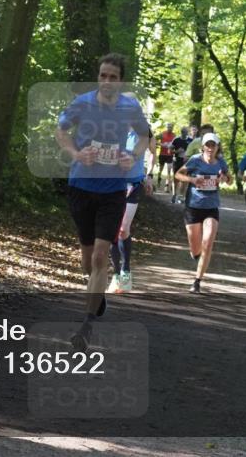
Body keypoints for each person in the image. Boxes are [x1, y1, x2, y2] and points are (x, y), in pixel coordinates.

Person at [56, 53, 150, 349]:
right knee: (87, 260)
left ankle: (86, 326)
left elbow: (145, 136)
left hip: (113, 191)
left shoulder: (129, 106)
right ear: (98, 77)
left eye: (113, 77)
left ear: (121, 81)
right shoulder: (83, 103)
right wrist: (76, 154)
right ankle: (97, 297)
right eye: (103, 75)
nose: (107, 81)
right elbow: (61, 131)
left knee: (99, 257)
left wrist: (132, 157)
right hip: (81, 187)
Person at [174, 132, 231, 293]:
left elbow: (229, 178)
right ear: (203, 147)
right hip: (193, 206)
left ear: (218, 147)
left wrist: (224, 179)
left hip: (211, 208)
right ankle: (197, 256)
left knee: (208, 242)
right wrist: (192, 180)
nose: (210, 148)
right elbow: (178, 174)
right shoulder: (195, 160)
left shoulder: (221, 163)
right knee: (195, 248)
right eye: (208, 145)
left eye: (213, 145)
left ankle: (197, 281)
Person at [108, 125, 154, 294]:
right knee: (113, 230)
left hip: (133, 185)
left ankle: (126, 270)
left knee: (122, 229)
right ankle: (115, 275)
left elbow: (153, 153)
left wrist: (149, 175)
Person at [170, 127, 192, 204]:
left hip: (187, 162)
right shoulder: (176, 140)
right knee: (176, 179)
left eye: (186, 132)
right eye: (183, 132)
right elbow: (170, 151)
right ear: (181, 132)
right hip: (177, 161)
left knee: (184, 180)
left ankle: (181, 196)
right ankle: (174, 195)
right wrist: (177, 151)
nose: (184, 133)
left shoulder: (190, 140)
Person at [155, 123, 176, 191]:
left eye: (171, 127)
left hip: (170, 155)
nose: (170, 128)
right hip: (162, 154)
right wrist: (162, 144)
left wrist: (171, 146)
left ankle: (167, 187)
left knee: (169, 171)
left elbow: (176, 144)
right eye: (168, 127)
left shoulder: (174, 135)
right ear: (167, 127)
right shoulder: (162, 134)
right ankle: (159, 179)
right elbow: (154, 140)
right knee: (160, 170)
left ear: (172, 128)